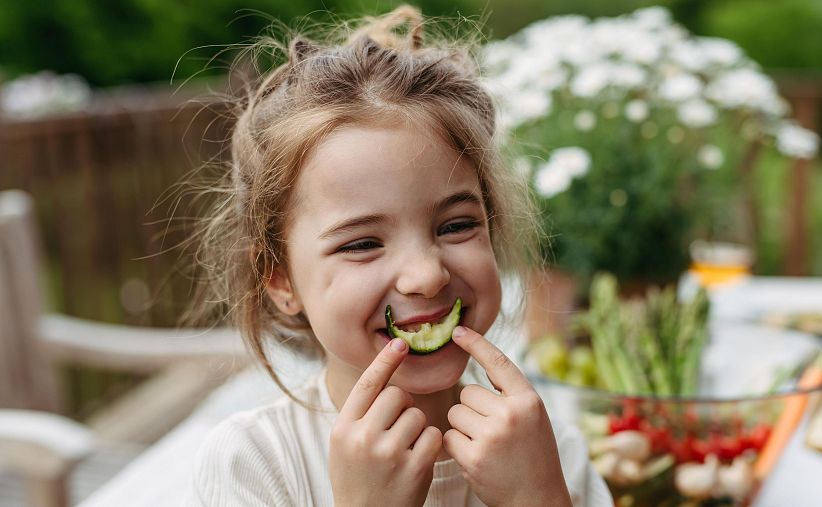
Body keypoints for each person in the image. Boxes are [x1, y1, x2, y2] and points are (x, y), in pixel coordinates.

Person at [187, 5, 612, 506]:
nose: (427, 276)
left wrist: (537, 498)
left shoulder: (548, 450)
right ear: (280, 281)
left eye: (456, 226)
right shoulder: (253, 464)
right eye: (362, 244)